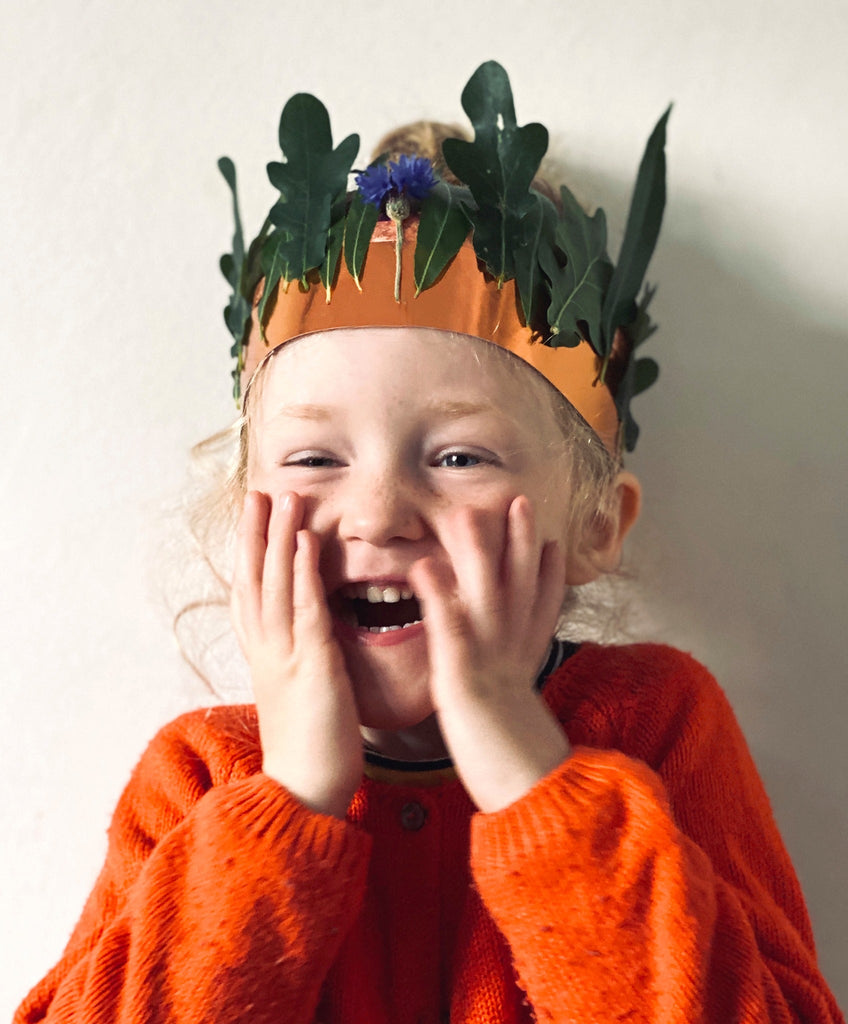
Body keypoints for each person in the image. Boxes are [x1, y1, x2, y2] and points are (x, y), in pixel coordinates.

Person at [16, 61, 844, 1024]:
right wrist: (291, 800)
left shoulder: (658, 726)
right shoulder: (203, 777)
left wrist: (529, 774)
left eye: (457, 456)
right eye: (315, 457)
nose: (377, 515)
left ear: (594, 525)